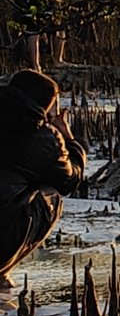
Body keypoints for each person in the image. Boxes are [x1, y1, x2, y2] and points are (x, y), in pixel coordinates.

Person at [0, 39, 84, 283]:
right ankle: (3, 269)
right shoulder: (44, 137)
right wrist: (69, 139)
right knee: (52, 195)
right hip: (5, 233)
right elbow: (70, 181)